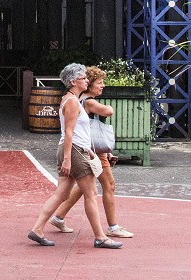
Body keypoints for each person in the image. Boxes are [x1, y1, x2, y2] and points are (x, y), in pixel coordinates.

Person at [27, 63, 123, 249]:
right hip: (74, 150)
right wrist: (69, 159)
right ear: (73, 81)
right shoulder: (72, 102)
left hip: (75, 149)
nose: (87, 80)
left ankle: (37, 228)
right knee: (91, 193)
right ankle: (100, 237)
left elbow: (75, 133)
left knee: (61, 193)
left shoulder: (71, 99)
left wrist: (88, 151)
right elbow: (69, 132)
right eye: (83, 78)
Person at [49, 66, 133, 239]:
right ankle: (111, 227)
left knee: (83, 187)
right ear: (88, 85)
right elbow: (107, 111)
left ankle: (58, 216)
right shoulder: (88, 102)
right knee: (107, 185)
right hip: (90, 151)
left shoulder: (79, 100)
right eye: (99, 83)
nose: (102, 86)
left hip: (90, 149)